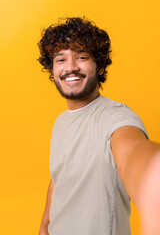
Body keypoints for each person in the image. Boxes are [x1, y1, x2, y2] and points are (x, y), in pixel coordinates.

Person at [37, 17, 160, 235]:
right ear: (52, 68)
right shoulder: (61, 121)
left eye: (82, 57)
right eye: (60, 60)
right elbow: (59, 177)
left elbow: (134, 153)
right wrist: (45, 225)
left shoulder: (115, 117)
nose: (70, 67)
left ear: (99, 65)